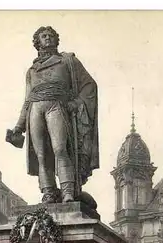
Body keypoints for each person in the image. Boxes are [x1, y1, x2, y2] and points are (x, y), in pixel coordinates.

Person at [10, 26, 99, 204]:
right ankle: (49, 192)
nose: (48, 38)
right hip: (35, 108)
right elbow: (27, 99)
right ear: (37, 42)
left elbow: (90, 85)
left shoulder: (67, 62)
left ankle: (67, 191)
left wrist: (76, 103)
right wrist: (19, 127)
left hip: (57, 106)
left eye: (51, 36)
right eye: (44, 36)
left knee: (60, 149)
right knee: (41, 154)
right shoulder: (32, 71)